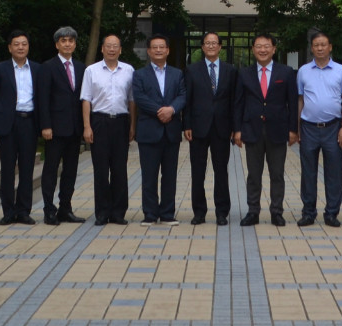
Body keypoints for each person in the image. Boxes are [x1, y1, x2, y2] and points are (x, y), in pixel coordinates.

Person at [233, 32, 298, 227]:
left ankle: (276, 212)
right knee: (254, 175)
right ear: (253, 49)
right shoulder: (244, 73)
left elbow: (292, 103)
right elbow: (238, 103)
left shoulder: (286, 72)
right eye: (259, 46)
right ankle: (253, 211)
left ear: (274, 49)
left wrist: (293, 130)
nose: (263, 50)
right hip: (251, 130)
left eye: (266, 46)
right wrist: (237, 130)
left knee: (277, 174)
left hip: (278, 130)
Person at [295, 30, 342, 227]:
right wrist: (297, 127)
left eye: (323, 45)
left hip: (333, 127)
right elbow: (300, 100)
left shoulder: (341, 71)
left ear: (330, 47)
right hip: (309, 128)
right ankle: (308, 212)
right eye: (316, 45)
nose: (320, 48)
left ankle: (331, 213)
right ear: (311, 48)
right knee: (308, 172)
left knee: (334, 172)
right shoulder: (303, 71)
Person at [0, 30, 41, 226]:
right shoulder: (0, 69)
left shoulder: (37, 69)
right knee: (7, 169)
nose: (20, 47)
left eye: (24, 44)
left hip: (29, 122)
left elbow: (42, 98)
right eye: (16, 44)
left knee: (27, 169)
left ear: (28, 47)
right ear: (10, 47)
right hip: (7, 124)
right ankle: (8, 212)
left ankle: (24, 211)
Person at [81, 34, 136, 226]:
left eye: (115, 46)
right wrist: (87, 126)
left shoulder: (129, 70)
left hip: (121, 122)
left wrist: (132, 125)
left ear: (120, 49)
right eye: (108, 46)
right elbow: (86, 99)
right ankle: (102, 213)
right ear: (102, 49)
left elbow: (132, 100)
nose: (112, 49)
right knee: (101, 170)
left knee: (120, 169)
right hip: (99, 122)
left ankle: (118, 213)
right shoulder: (91, 71)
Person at [132, 34, 187, 225]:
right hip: (149, 131)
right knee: (149, 175)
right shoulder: (139, 74)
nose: (158, 50)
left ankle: (167, 213)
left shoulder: (177, 74)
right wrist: (160, 111)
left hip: (171, 132)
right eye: (154, 47)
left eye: (161, 47)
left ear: (167, 50)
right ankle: (150, 213)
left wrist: (171, 109)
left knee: (170, 175)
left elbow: (183, 95)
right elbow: (139, 97)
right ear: (148, 51)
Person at [184, 32, 237, 225]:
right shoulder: (191, 70)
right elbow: (187, 100)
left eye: (214, 43)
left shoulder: (231, 70)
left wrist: (235, 127)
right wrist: (187, 124)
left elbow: (234, 101)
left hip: (222, 128)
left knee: (221, 171)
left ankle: (222, 212)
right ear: (202, 47)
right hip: (198, 128)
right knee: (198, 172)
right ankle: (199, 212)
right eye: (207, 43)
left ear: (220, 47)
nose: (211, 46)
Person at [36, 26, 87, 226]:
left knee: (70, 171)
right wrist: (45, 125)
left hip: (75, 129)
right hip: (54, 129)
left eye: (71, 41)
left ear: (75, 44)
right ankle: (49, 210)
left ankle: (65, 208)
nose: (67, 44)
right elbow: (43, 99)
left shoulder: (81, 68)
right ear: (57, 44)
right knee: (51, 170)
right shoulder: (47, 67)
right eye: (63, 41)